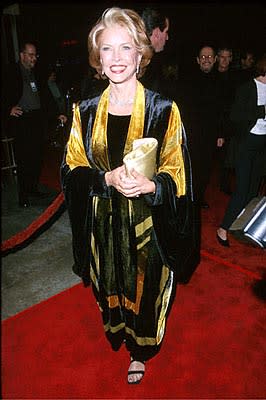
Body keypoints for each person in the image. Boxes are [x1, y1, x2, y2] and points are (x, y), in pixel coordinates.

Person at [61, 7, 188, 384]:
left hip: (146, 225)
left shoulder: (163, 110)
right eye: (107, 49)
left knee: (145, 293)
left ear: (140, 54)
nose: (116, 58)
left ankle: (140, 351)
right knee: (111, 288)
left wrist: (153, 185)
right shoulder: (84, 111)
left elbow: (177, 173)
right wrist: (105, 179)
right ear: (97, 57)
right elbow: (71, 169)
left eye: (125, 48)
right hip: (103, 225)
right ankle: (120, 333)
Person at [216, 54, 266, 247]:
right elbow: (236, 117)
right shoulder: (246, 87)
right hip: (246, 144)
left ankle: (241, 227)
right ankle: (223, 228)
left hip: (262, 145)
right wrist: (262, 110)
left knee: (253, 191)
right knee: (242, 191)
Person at [178, 45, 224, 208]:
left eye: (210, 57)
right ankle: (186, 198)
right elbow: (181, 108)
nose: (206, 59)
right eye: (203, 57)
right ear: (197, 60)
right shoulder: (186, 80)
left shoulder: (220, 81)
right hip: (190, 132)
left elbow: (222, 109)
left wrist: (221, 134)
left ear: (215, 59)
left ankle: (198, 197)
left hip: (210, 133)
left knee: (205, 168)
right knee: (189, 167)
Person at [2, 41, 47, 207]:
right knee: (23, 158)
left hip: (36, 119)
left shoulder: (35, 73)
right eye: (30, 55)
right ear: (22, 55)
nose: (34, 58)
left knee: (37, 156)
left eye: (35, 55)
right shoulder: (11, 71)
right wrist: (8, 109)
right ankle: (23, 195)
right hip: (21, 119)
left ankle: (33, 188)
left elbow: (45, 94)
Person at [140, 7, 178, 99]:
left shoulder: (148, 59)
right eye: (166, 32)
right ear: (157, 33)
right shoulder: (140, 61)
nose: (167, 37)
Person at [214, 46, 236, 195]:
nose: (225, 60)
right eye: (222, 57)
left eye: (228, 57)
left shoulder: (234, 77)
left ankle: (224, 183)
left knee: (226, 157)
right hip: (212, 120)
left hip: (227, 121)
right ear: (217, 58)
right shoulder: (211, 75)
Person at [43, 66, 68, 148]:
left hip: (59, 105)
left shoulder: (56, 85)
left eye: (54, 76)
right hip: (53, 108)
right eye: (52, 76)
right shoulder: (46, 85)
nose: (53, 77)